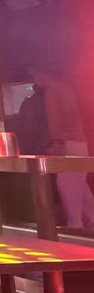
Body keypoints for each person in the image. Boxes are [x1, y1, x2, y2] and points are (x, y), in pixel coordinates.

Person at [23, 68, 94, 231]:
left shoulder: (54, 91)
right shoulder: (60, 90)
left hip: (69, 146)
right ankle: (90, 221)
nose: (34, 80)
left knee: (67, 189)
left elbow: (61, 121)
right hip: (75, 145)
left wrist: (57, 143)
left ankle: (75, 229)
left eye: (35, 75)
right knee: (79, 190)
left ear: (43, 73)